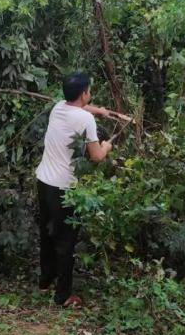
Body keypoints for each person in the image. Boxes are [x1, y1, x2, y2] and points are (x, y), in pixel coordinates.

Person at [36, 72, 127, 307]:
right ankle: (64, 295)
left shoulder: (58, 107)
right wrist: (108, 145)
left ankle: (46, 279)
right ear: (83, 93)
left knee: (47, 233)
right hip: (64, 188)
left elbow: (81, 110)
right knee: (66, 241)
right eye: (89, 90)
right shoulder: (85, 121)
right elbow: (96, 156)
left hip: (43, 181)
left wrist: (100, 110)